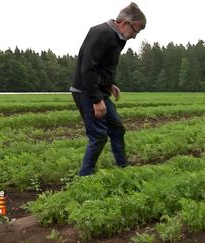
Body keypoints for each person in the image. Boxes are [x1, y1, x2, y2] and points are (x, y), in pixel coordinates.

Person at [70, 2, 146, 176]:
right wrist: (96, 100)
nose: (135, 36)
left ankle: (123, 168)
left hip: (98, 90)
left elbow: (101, 66)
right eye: (136, 30)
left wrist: (109, 84)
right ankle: (84, 177)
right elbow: (88, 67)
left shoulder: (117, 37)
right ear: (126, 22)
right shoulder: (102, 33)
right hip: (86, 91)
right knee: (98, 136)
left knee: (117, 128)